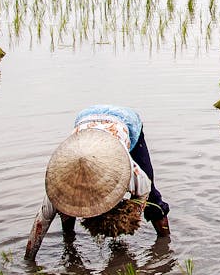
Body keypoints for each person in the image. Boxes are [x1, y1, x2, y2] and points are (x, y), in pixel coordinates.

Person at [25, 105, 170, 259]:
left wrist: (127, 218)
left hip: (126, 121)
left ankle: (166, 245)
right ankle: (69, 242)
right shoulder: (58, 189)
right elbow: (40, 226)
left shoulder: (130, 171)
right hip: (85, 121)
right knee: (65, 208)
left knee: (153, 201)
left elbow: (144, 192)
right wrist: (29, 260)